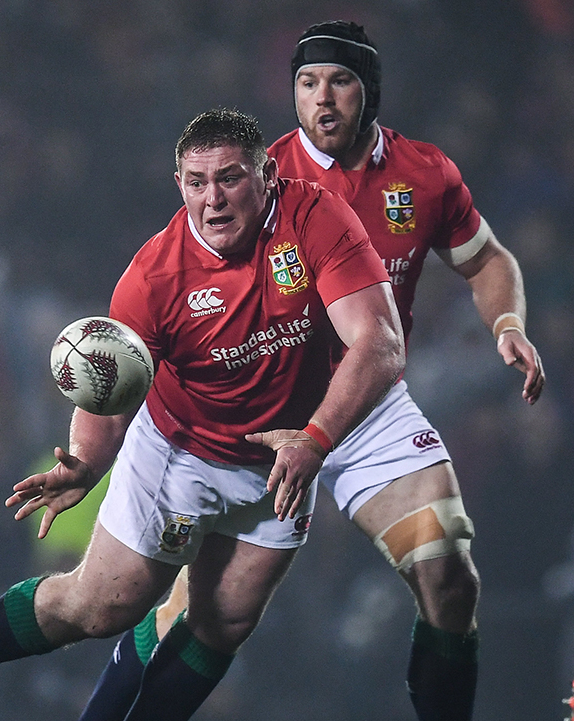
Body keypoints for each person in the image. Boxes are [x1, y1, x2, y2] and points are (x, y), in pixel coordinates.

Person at [79, 21, 546, 721]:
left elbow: (485, 259)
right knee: (184, 609)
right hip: (260, 413)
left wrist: (507, 325)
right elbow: (185, 281)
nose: (322, 100)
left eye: (340, 81)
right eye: (306, 83)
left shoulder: (424, 174)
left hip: (366, 406)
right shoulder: (256, 178)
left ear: (370, 91)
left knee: (450, 577)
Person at [0, 107, 404, 721]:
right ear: (180, 187)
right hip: (183, 452)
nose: (213, 199)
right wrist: (87, 462)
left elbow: (380, 344)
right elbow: (108, 380)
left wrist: (315, 439)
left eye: (228, 178)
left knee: (223, 623)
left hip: (288, 455)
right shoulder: (154, 277)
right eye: (197, 182)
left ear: (267, 174)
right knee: (103, 607)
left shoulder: (316, 219)